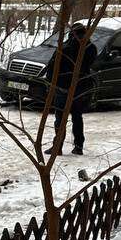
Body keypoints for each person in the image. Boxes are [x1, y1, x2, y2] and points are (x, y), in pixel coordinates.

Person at [48, 22, 97, 156]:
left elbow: (52, 67)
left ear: (71, 33)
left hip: (63, 87)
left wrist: (51, 83)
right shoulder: (91, 48)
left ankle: (57, 147)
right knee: (77, 117)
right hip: (81, 87)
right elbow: (90, 65)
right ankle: (78, 146)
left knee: (60, 119)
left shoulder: (64, 48)